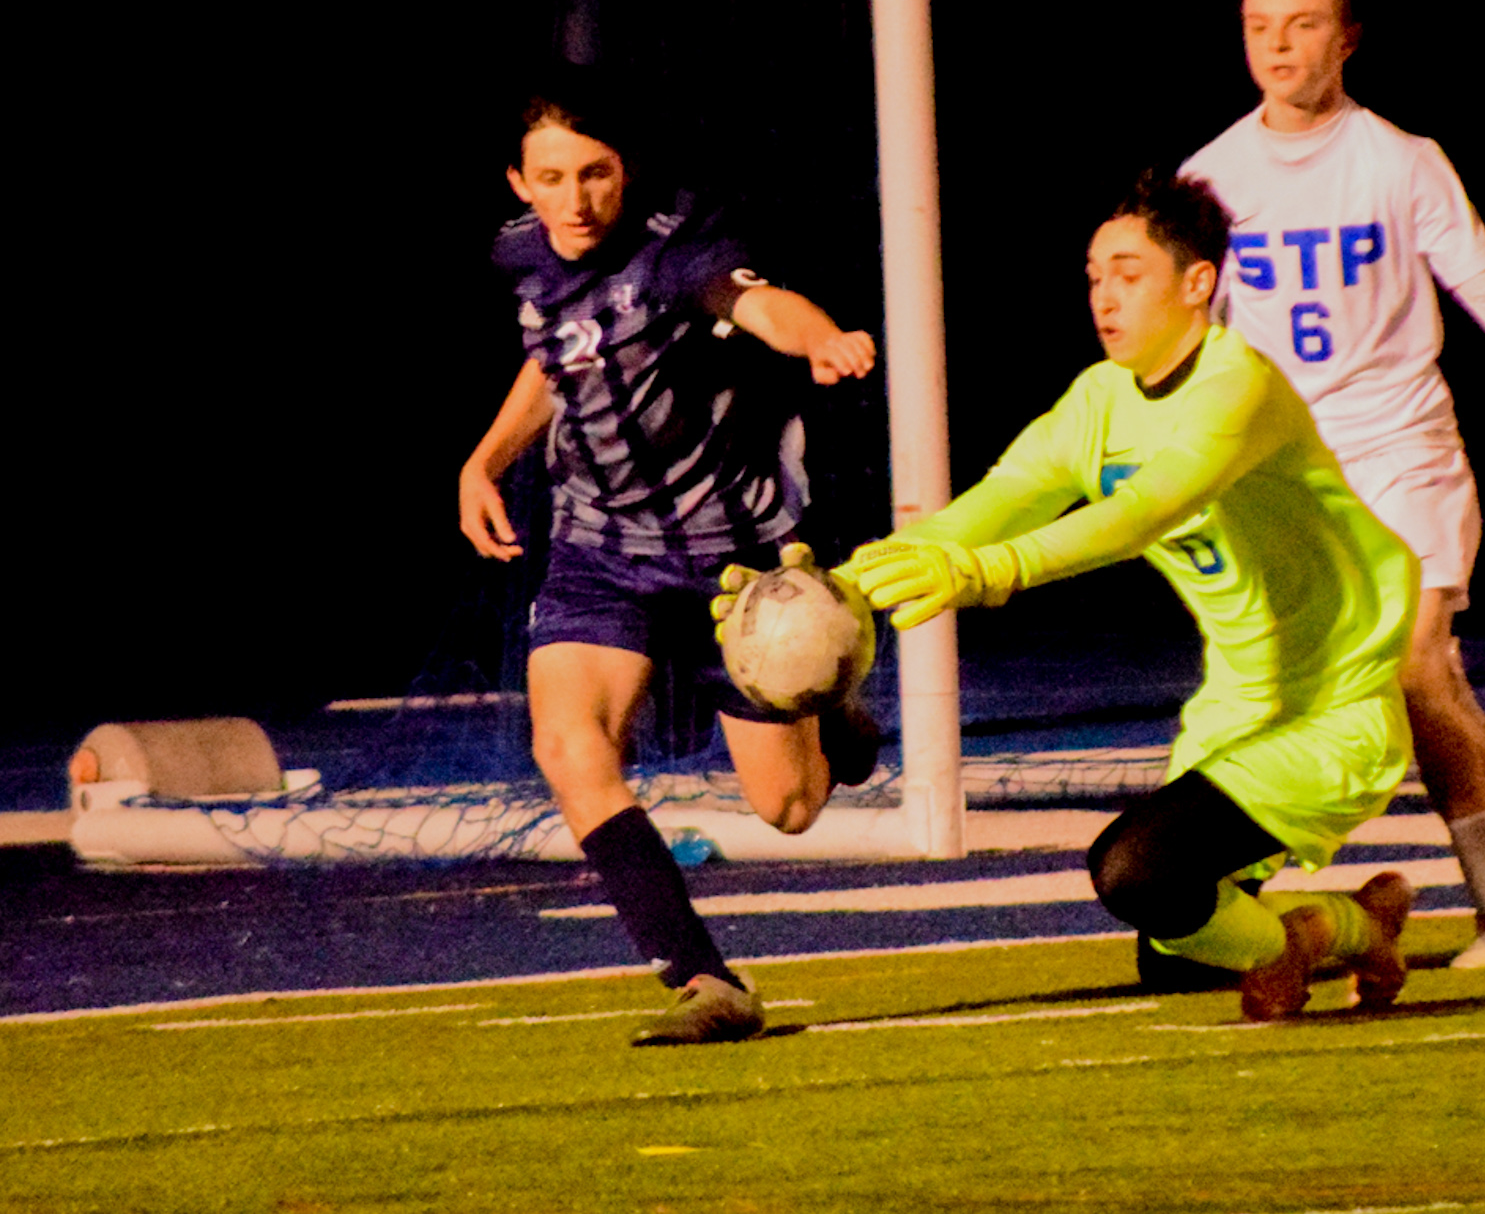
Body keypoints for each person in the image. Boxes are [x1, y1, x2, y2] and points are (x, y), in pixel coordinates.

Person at [1181, 0, 1485, 968]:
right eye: (1257, 24)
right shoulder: (1210, 178)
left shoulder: (1398, 161)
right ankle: (1234, 913)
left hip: (1402, 456)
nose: (1274, 44)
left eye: (1300, 25)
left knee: (1411, 666)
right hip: (1288, 481)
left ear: (1344, 39)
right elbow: (1192, 348)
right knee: (1284, 692)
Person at [852, 173, 1419, 1022]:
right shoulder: (1099, 399)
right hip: (1236, 709)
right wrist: (840, 585)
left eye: (1128, 273)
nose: (1104, 296)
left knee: (1133, 872)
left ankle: (1297, 942)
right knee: (1175, 951)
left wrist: (988, 574)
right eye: (1093, 276)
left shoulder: (1238, 385)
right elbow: (1004, 497)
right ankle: (1348, 923)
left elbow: (1141, 511)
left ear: (1198, 285)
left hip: (1332, 709)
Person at [458, 79, 877, 1045]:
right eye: (553, 178)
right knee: (569, 750)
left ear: (625, 172)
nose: (576, 200)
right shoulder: (524, 253)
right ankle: (704, 980)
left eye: (596, 174)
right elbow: (560, 355)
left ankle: (827, 702)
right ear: (519, 181)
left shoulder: (675, 252)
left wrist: (822, 339)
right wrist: (486, 458)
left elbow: (759, 304)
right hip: (599, 556)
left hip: (727, 570)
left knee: (791, 806)